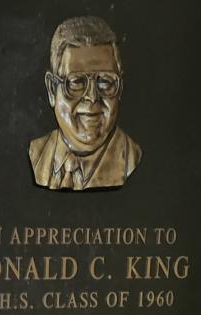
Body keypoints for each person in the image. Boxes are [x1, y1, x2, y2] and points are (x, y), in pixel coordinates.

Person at [28, 15, 142, 191]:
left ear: (119, 88)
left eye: (104, 81)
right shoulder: (37, 153)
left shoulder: (131, 159)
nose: (92, 97)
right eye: (76, 82)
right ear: (52, 89)